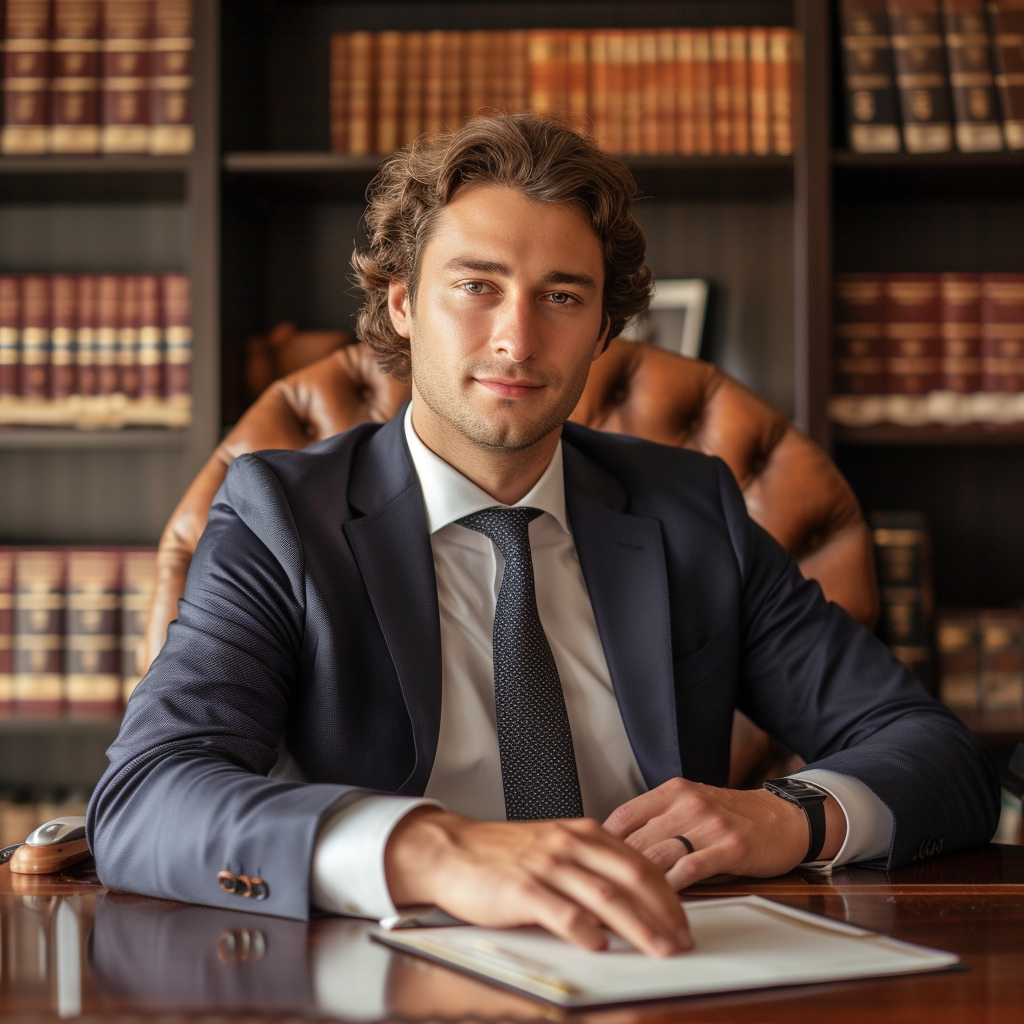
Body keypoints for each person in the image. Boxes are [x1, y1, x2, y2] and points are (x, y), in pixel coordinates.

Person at [88, 113, 998, 958]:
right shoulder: (280, 515)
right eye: (476, 286)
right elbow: (146, 798)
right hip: (381, 972)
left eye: (562, 296)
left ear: (603, 326)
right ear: (402, 304)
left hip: (663, 967)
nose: (518, 340)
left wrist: (792, 815)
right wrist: (430, 850)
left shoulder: (691, 510)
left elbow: (936, 754)